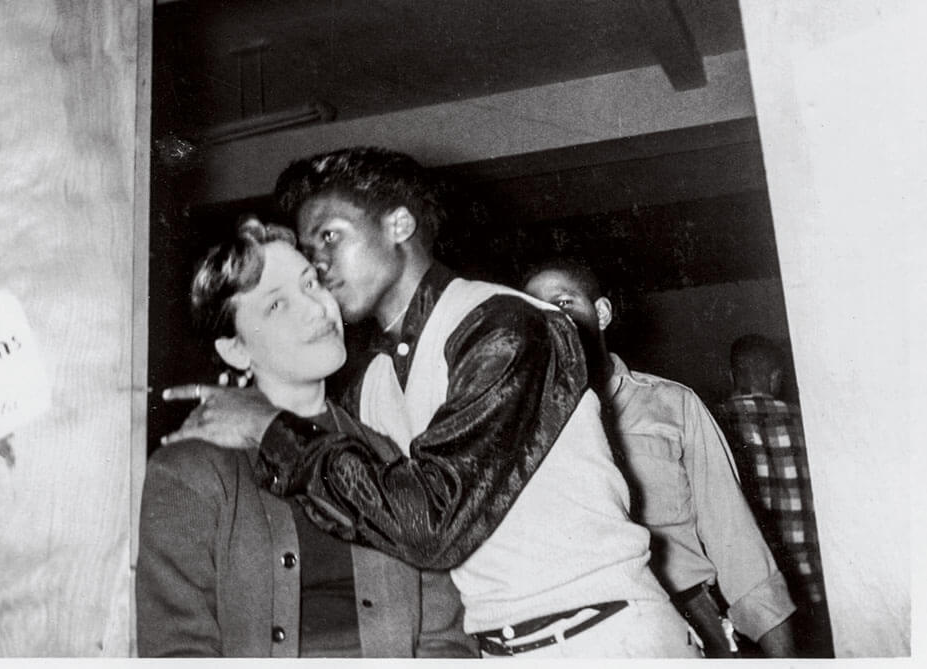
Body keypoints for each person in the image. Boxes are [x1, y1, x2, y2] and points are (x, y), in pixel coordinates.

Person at [164, 147, 699, 658]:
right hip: (495, 648)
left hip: (604, 637)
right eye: (309, 252)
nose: (319, 265)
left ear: (398, 226)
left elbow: (431, 524)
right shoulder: (371, 378)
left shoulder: (506, 325)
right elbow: (360, 502)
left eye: (330, 236)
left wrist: (269, 427)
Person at [136, 216, 476, 658]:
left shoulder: (388, 454)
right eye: (277, 305)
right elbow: (178, 651)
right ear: (235, 348)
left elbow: (445, 640)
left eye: (311, 283)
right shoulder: (188, 472)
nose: (316, 308)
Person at [522, 257, 797, 658]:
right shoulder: (519, 423)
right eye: (534, 309)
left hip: (689, 621)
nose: (549, 319)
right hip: (579, 634)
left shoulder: (672, 405)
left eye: (563, 304)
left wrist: (784, 657)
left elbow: (734, 537)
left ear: (600, 313)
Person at [720, 334, 833, 658]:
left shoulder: (714, 421)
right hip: (814, 585)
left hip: (755, 595)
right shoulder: (810, 422)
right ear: (777, 377)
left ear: (732, 376)